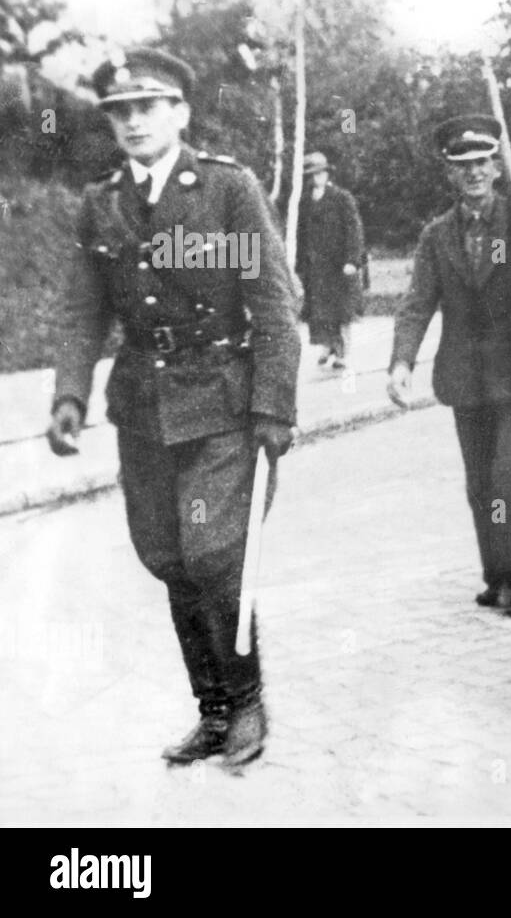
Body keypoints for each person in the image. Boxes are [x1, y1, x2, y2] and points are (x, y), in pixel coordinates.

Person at [46, 47, 300, 767]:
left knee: (214, 552)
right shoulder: (101, 202)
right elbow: (82, 310)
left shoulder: (227, 189)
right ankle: (212, 710)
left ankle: (247, 700)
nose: (132, 122)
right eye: (119, 112)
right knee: (166, 556)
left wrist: (275, 407)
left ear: (180, 112)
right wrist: (69, 393)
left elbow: (273, 303)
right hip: (143, 405)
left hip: (223, 398)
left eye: (146, 107)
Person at [387, 115, 511, 616]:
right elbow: (417, 302)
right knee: (481, 483)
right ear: (449, 172)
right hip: (466, 379)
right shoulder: (436, 236)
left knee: (510, 475)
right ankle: (496, 573)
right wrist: (401, 361)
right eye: (462, 165)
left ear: (496, 167)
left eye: (482, 163)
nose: (473, 173)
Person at [296, 151, 366, 369]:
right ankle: (326, 346)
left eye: (319, 174)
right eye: (311, 175)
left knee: (342, 311)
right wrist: (300, 265)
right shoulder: (305, 201)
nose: (315, 178)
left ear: (327, 174)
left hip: (339, 265)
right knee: (319, 310)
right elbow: (301, 234)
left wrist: (352, 261)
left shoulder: (341, 198)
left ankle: (342, 352)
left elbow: (354, 230)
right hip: (316, 267)